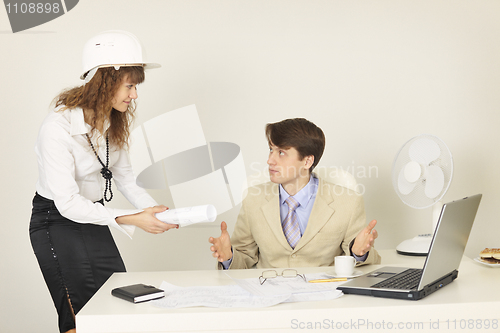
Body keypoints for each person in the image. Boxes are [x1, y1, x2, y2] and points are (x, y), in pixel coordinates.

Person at [29, 31, 177, 333]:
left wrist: (155, 211)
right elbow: (68, 204)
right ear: (105, 80)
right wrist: (134, 219)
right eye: (130, 85)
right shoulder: (56, 128)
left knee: (115, 307)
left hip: (93, 218)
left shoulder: (112, 122)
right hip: (55, 222)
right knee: (80, 318)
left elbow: (125, 179)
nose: (134, 95)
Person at [209, 118, 381, 269]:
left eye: (281, 152)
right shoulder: (253, 198)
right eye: (271, 150)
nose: (270, 160)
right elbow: (245, 257)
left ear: (307, 161)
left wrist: (358, 253)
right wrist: (229, 257)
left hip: (323, 295)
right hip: (269, 294)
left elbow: (361, 259)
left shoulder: (348, 202)